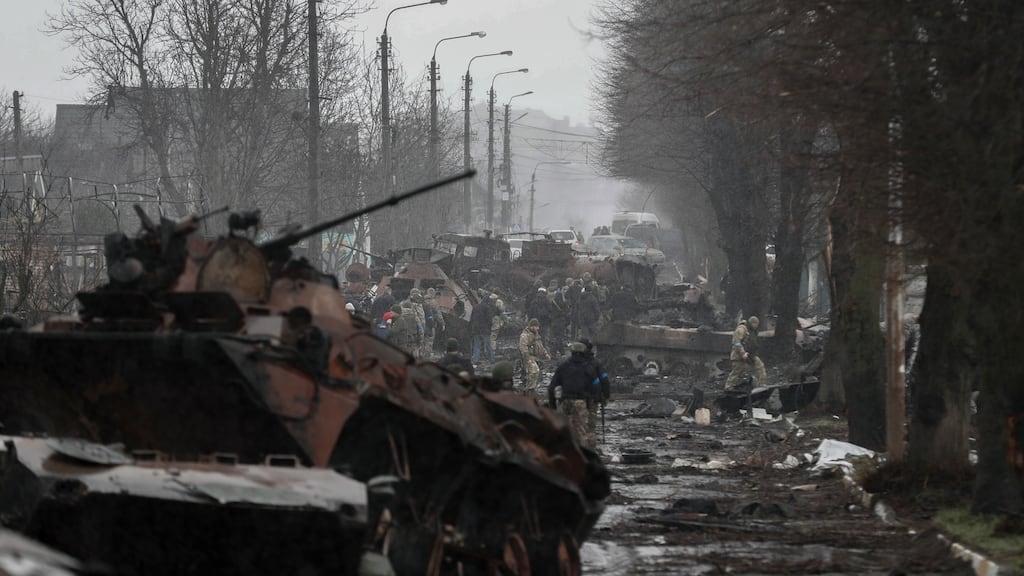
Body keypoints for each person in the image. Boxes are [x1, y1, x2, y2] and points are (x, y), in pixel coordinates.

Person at [547, 342, 601, 449]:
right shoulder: (589, 368)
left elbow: (551, 387)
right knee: (581, 431)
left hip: (565, 401)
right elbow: (596, 386)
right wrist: (592, 403)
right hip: (580, 402)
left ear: (571, 353)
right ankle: (582, 455)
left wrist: (553, 405)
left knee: (562, 429)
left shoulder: (563, 367)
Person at [725, 316, 767, 389]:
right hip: (739, 355)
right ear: (752, 323)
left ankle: (762, 384)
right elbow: (736, 342)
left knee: (760, 366)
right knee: (737, 371)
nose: (756, 326)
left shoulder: (753, 331)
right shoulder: (741, 329)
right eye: (755, 324)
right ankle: (728, 387)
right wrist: (742, 353)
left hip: (751, 354)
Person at [519, 318, 550, 395]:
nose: (538, 328)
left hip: (536, 356)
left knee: (536, 373)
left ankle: (531, 388)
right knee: (534, 371)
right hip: (528, 357)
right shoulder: (524, 335)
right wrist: (528, 358)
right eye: (536, 326)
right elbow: (523, 348)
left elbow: (540, 345)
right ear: (531, 326)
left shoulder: (536, 334)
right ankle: (529, 389)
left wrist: (545, 354)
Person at [470, 294, 496, 365]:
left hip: (476, 329)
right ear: (488, 301)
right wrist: (489, 328)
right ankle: (492, 359)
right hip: (485, 330)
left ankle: (476, 360)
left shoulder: (475, 307)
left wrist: (471, 328)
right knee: (488, 345)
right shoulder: (487, 308)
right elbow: (489, 320)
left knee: (477, 345)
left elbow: (472, 319)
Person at [423, 287, 446, 355]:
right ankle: (427, 356)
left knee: (422, 340)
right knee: (429, 340)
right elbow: (438, 314)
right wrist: (442, 323)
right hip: (431, 324)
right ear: (433, 294)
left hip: (421, 323)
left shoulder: (422, 301)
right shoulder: (433, 302)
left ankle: (420, 354)